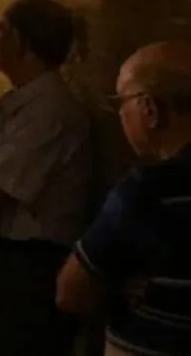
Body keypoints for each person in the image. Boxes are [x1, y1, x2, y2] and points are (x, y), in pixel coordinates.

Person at [0, 0, 94, 356]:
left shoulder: (48, 114)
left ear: (24, 42)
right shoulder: (15, 103)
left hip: (23, 272)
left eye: (3, 31)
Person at [57, 41, 191, 355]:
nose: (120, 114)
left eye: (122, 102)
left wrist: (116, 286)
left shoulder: (149, 190)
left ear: (150, 109)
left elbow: (71, 293)